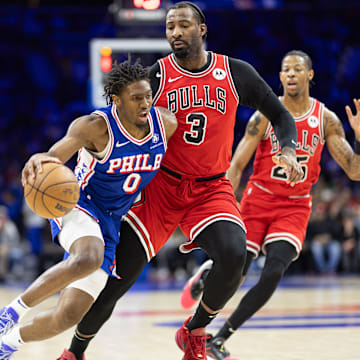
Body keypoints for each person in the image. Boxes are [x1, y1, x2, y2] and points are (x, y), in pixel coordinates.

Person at [58, 3, 303, 360]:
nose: (175, 32)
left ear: (202, 30)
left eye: (183, 25)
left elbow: (280, 114)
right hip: (161, 188)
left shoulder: (235, 73)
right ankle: (75, 352)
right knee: (117, 283)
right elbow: (119, 121)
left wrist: (290, 150)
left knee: (235, 255)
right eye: (170, 26)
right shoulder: (155, 77)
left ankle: (194, 330)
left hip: (210, 188)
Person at [180, 50, 360, 359]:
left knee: (274, 271)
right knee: (237, 270)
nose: (291, 74)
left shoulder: (325, 119)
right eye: (285, 69)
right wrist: (220, 206)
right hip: (258, 198)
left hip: (294, 206)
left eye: (297, 69)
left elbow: (355, 170)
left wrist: (359, 137)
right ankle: (208, 276)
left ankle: (219, 339)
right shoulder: (264, 115)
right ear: (280, 77)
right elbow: (236, 165)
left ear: (309, 75)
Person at [0, 59, 177, 359]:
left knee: (69, 315)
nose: (145, 103)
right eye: (136, 98)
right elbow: (54, 156)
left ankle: (8, 343)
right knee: (89, 257)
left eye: (148, 95)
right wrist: (41, 159)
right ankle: (11, 313)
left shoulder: (165, 124)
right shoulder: (95, 127)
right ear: (117, 99)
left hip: (111, 221)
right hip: (78, 203)